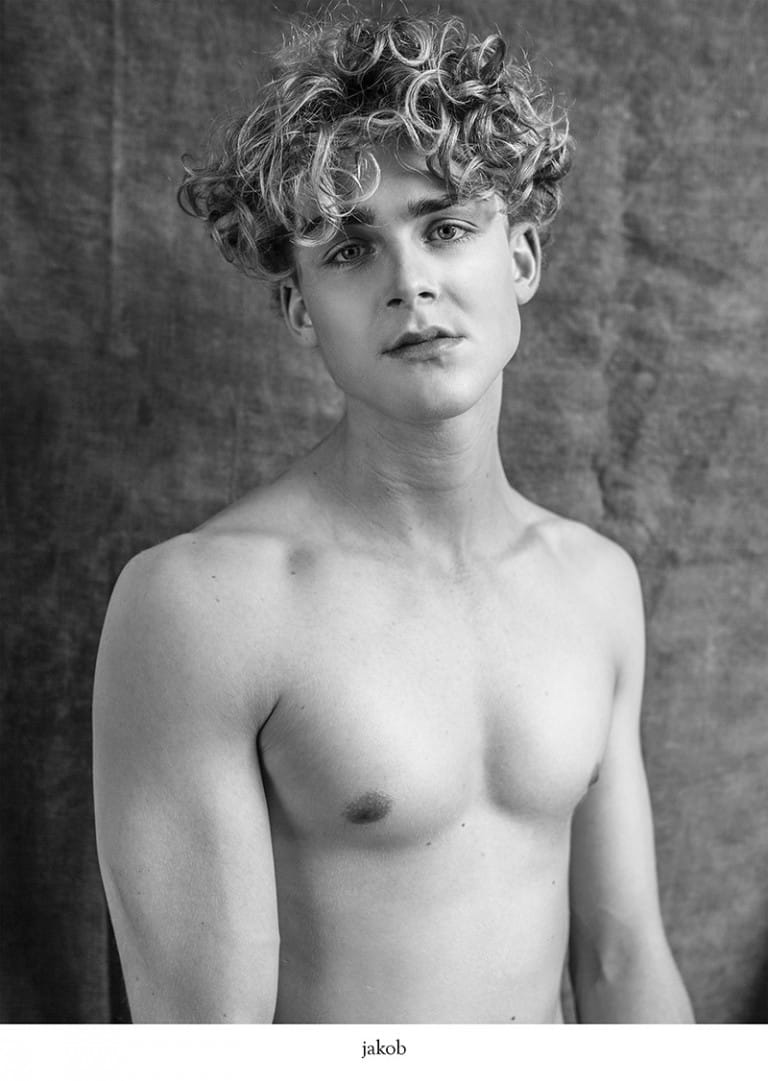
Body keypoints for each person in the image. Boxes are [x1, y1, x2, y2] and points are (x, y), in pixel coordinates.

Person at [92, 10, 694, 1024]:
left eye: (446, 228)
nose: (410, 283)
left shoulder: (595, 584)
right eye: (348, 250)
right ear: (300, 307)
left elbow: (624, 962)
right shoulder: (202, 607)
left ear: (522, 259)